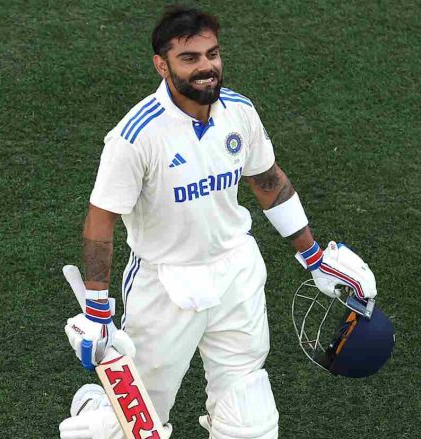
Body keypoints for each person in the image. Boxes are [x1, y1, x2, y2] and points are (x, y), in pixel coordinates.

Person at [60, 5, 377, 438]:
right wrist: (97, 309)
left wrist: (314, 257)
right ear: (162, 64)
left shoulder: (239, 112)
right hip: (166, 286)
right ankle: (95, 408)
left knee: (251, 421)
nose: (206, 67)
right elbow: (101, 220)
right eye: (190, 58)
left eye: (212, 54)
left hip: (236, 273)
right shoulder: (135, 137)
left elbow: (269, 182)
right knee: (131, 427)